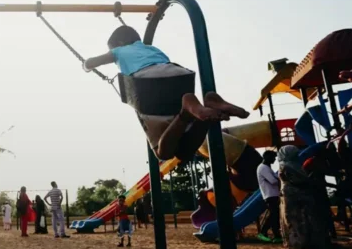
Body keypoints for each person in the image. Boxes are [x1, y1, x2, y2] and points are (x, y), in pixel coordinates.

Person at [84, 25, 249, 162]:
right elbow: (162, 66)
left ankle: (186, 110)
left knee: (163, 153)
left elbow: (93, 62)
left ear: (119, 43)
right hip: (179, 77)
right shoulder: (151, 48)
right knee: (184, 152)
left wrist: (86, 65)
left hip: (149, 85)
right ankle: (208, 104)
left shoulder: (118, 51)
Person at [278, 145, 331, 249]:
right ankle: (302, 241)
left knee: (299, 219)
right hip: (297, 196)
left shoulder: (290, 165)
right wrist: (309, 181)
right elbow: (298, 180)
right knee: (300, 219)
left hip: (294, 196)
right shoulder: (288, 166)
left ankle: (303, 240)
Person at [256, 150, 282, 243]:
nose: (274, 159)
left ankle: (277, 236)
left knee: (275, 215)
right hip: (270, 195)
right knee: (273, 215)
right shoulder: (263, 168)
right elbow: (273, 181)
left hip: (273, 194)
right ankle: (262, 232)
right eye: (273, 157)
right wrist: (280, 178)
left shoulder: (267, 167)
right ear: (267, 158)